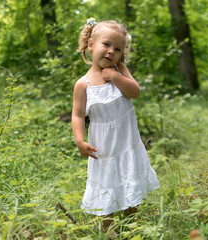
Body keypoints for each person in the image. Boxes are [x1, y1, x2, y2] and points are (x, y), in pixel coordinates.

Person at [72, 18, 159, 236]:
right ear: (91, 44)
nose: (111, 52)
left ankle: (132, 224)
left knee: (129, 181)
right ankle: (108, 229)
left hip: (127, 143)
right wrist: (80, 141)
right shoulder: (84, 84)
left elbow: (134, 92)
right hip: (104, 148)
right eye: (106, 44)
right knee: (106, 184)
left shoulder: (120, 70)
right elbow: (78, 115)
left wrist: (114, 77)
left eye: (118, 49)